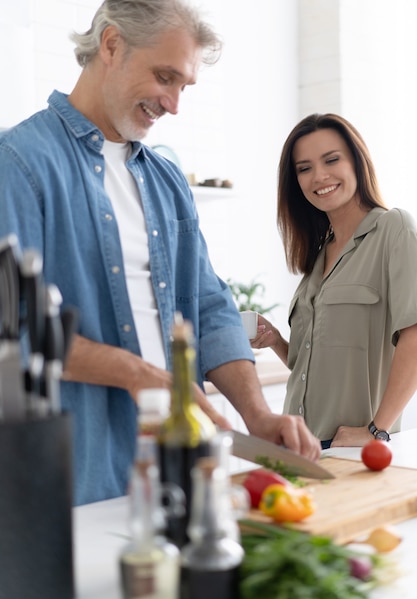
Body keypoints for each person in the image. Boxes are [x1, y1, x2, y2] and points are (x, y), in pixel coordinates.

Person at [0, 0, 320, 505]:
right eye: (164, 77)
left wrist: (257, 416)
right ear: (111, 45)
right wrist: (141, 375)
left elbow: (210, 307)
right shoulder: (18, 163)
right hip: (79, 476)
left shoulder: (166, 178)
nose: (174, 104)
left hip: (177, 468)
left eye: (183, 86)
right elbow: (18, 330)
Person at [251, 112, 417, 449]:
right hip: (299, 446)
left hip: (356, 452)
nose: (319, 176)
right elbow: (316, 363)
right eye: (304, 168)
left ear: (356, 161)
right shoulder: (319, 255)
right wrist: (278, 342)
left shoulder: (393, 230)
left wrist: (376, 431)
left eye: (331, 160)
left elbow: (414, 338)